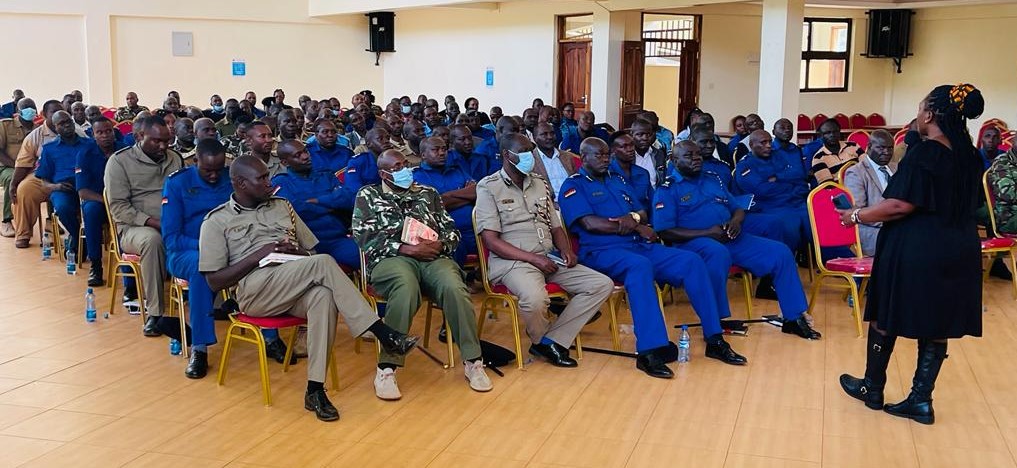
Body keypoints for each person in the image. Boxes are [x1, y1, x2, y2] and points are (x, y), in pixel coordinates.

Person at [200, 155, 418, 420]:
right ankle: (382, 332)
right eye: (262, 178)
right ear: (240, 184)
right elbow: (214, 280)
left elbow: (310, 251)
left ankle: (315, 390)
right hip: (255, 291)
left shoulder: (282, 206)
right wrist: (258, 254)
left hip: (293, 281)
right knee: (325, 263)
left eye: (268, 176)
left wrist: (296, 251)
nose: (269, 183)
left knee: (322, 296)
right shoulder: (217, 221)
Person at [838, 84, 985, 426]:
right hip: (959, 247)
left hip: (918, 247)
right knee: (938, 321)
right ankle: (921, 400)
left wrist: (856, 216)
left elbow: (900, 204)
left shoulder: (927, 153)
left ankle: (872, 388)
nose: (917, 115)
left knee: (886, 314)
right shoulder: (969, 154)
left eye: (921, 109)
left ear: (930, 114)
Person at [559, 138, 743, 378]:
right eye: (599, 155)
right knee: (640, 267)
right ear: (584, 159)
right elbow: (590, 223)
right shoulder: (574, 185)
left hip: (637, 245)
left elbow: (642, 212)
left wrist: (634, 221)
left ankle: (715, 338)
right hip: (602, 251)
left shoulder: (618, 180)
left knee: (691, 261)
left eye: (607, 155)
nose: (605, 159)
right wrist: (632, 224)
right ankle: (649, 350)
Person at [352, 149, 492, 399]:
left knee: (454, 286)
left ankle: (474, 362)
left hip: (431, 257)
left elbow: (451, 230)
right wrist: (403, 248)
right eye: (397, 167)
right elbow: (364, 237)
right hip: (392, 259)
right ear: (384, 174)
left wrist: (441, 245)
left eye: (406, 164)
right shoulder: (368, 195)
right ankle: (387, 368)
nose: (405, 169)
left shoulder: (428, 193)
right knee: (405, 287)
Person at [654, 141, 820, 341]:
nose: (696, 158)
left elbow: (738, 207)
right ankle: (714, 323)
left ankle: (793, 318)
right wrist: (706, 232)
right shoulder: (668, 189)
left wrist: (736, 222)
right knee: (717, 253)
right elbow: (665, 231)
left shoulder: (713, 179)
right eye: (688, 155)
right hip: (694, 243)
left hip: (731, 237)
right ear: (674, 160)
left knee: (781, 252)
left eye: (697, 154)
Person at [475, 133, 612, 367]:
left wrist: (566, 249)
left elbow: (556, 225)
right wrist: (533, 260)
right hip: (513, 262)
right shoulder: (489, 187)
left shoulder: (538, 182)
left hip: (548, 256)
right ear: (507, 155)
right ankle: (542, 340)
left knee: (601, 285)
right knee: (536, 299)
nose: (531, 156)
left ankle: (551, 341)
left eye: (531, 150)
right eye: (525, 151)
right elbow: (491, 241)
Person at [162, 139, 238, 377]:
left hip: (229, 249)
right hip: (186, 252)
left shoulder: (231, 178)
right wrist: (209, 247)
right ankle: (200, 348)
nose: (215, 176)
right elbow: (171, 238)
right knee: (201, 267)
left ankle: (269, 337)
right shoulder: (177, 183)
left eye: (218, 169)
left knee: (259, 260)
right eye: (208, 171)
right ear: (195, 162)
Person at [105, 115, 183, 336]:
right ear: (139, 137)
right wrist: (155, 223)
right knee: (152, 240)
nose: (163, 146)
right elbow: (118, 207)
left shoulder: (174, 158)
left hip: (172, 224)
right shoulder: (119, 162)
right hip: (134, 228)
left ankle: (213, 307)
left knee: (208, 232)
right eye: (156, 141)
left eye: (167, 140)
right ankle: (155, 313)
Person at [273, 140, 359, 268]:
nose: (305, 156)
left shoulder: (325, 175)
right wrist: (332, 204)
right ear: (285, 163)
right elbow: (296, 210)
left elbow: (348, 199)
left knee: (365, 258)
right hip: (306, 245)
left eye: (305, 151)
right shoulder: (281, 182)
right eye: (297, 155)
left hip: (337, 239)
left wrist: (318, 201)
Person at [34, 110, 102, 258]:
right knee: (63, 207)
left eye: (68, 122)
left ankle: (83, 241)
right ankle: (78, 238)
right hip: (63, 188)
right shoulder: (49, 149)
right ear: (55, 127)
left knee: (94, 209)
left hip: (88, 187)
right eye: (61, 124)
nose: (67, 126)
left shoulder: (90, 144)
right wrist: (56, 187)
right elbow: (43, 182)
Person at [11, 100, 76, 248]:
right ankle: (23, 234)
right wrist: (13, 184)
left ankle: (75, 233)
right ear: (44, 115)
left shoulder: (75, 131)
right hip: (41, 175)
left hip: (69, 175)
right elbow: (23, 164)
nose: (58, 116)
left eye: (61, 112)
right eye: (53, 112)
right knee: (24, 190)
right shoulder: (34, 136)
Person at [733, 130, 812, 251]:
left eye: (770, 141)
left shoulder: (778, 156)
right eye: (763, 142)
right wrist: (788, 184)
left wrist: (778, 178)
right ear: (752, 145)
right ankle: (788, 259)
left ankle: (830, 259)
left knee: (818, 219)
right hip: (770, 206)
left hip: (794, 201)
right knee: (790, 226)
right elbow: (761, 190)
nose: (769, 145)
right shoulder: (745, 165)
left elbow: (798, 175)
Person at [411, 136, 477, 266]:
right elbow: (434, 205)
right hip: (445, 232)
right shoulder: (416, 175)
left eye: (444, 149)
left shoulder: (457, 169)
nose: (442, 153)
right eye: (435, 150)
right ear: (423, 155)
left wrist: (446, 197)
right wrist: (465, 196)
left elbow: (477, 192)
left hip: (475, 228)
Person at [76, 117, 125, 285]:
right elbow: (83, 192)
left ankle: (130, 266)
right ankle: (96, 266)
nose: (105, 135)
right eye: (100, 132)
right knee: (91, 212)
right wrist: (107, 201)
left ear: (114, 132)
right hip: (97, 200)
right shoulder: (85, 154)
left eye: (108, 131)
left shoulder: (125, 150)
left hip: (123, 200)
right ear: (93, 135)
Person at [843, 130, 896, 256]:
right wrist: (892, 220)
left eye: (890, 148)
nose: (887, 152)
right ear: (869, 147)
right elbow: (857, 211)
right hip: (872, 229)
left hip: (897, 226)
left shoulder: (897, 168)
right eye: (881, 148)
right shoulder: (856, 172)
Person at [0, 98, 36, 237]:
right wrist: (16, 166)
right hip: (6, 167)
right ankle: (7, 221)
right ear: (18, 111)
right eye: (26, 107)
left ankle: (50, 220)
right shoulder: (5, 126)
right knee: (12, 179)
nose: (30, 110)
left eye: (32, 107)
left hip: (30, 168)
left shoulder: (37, 129)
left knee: (47, 179)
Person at [532, 122, 579, 197]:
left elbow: (577, 181)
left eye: (552, 133)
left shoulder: (567, 156)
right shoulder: (531, 160)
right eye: (544, 134)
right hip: (548, 204)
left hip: (573, 198)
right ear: (534, 138)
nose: (550, 137)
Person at [608, 132, 652, 210]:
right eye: (624, 146)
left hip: (644, 219)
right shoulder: (607, 173)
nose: (630, 149)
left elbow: (652, 202)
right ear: (613, 150)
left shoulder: (643, 173)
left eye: (632, 145)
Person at [810, 119, 863, 184]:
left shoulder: (853, 146)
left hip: (863, 184)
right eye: (827, 133)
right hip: (842, 192)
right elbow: (829, 186)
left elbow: (867, 167)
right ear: (820, 136)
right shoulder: (818, 159)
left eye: (835, 131)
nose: (832, 135)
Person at [344, 127, 390, 193]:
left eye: (388, 138)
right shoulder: (358, 162)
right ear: (369, 144)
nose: (386, 141)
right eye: (380, 139)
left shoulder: (395, 158)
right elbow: (355, 189)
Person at [629, 118, 668, 187]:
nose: (645, 138)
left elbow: (662, 179)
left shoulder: (659, 154)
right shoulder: (626, 155)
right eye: (640, 135)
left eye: (648, 134)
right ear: (631, 135)